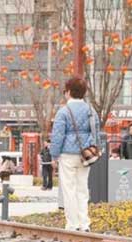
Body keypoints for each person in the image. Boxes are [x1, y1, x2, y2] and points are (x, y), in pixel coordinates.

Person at [50, 77, 100, 232]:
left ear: (69, 92)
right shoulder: (91, 110)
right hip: (85, 154)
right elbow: (96, 133)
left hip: (67, 154)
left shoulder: (63, 112)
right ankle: (84, 223)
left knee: (69, 189)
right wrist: (93, 149)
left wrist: (54, 155)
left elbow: (58, 136)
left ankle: (72, 224)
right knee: (82, 189)